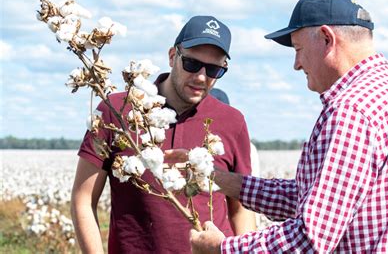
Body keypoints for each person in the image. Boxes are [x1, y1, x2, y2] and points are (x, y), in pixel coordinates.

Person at [188, 0, 388, 253]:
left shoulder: (351, 111)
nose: (296, 63)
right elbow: (322, 201)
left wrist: (223, 249)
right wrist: (223, 181)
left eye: (298, 49)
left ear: (327, 39)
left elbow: (310, 239)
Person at [71, 16, 256, 253]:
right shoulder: (117, 111)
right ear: (172, 56)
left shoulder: (232, 122)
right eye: (191, 63)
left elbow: (240, 209)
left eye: (214, 69)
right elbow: (83, 198)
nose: (201, 77)